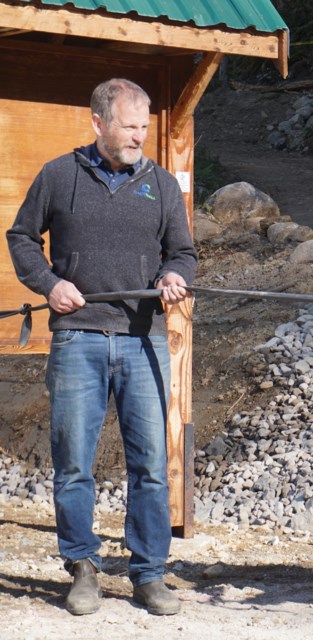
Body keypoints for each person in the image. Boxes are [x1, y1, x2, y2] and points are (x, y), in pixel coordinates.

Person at [6, 78, 197, 616]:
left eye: (144, 126)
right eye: (130, 126)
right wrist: (49, 284)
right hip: (78, 339)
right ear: (98, 124)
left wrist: (172, 278)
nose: (140, 136)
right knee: (73, 463)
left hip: (143, 342)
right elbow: (22, 237)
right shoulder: (59, 176)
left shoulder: (159, 184)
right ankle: (82, 567)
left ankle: (148, 573)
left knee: (152, 465)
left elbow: (182, 253)